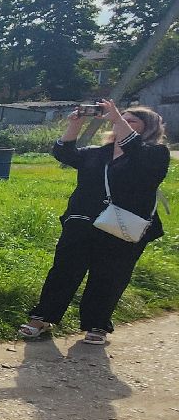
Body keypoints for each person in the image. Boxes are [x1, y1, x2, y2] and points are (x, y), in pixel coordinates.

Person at [18, 102, 169, 346]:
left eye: (131, 121)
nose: (121, 122)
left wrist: (118, 117)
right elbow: (63, 153)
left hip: (122, 227)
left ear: (147, 129)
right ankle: (42, 319)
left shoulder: (155, 155)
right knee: (63, 272)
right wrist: (74, 124)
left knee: (109, 276)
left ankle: (96, 325)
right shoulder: (98, 153)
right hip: (81, 223)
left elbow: (135, 150)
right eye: (122, 119)